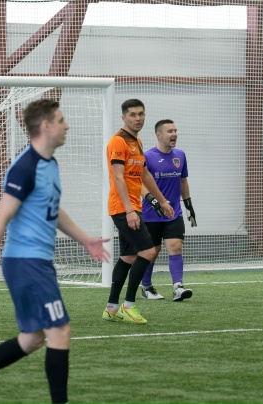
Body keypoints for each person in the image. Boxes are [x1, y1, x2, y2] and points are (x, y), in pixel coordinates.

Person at [0, 99, 110, 404]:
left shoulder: (50, 164)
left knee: (33, 338)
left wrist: (85, 240)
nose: (67, 126)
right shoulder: (24, 167)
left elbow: (53, 209)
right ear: (46, 126)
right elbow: (1, 218)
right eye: (61, 120)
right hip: (25, 262)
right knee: (59, 330)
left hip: (37, 263)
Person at [102, 99, 174, 325]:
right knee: (148, 251)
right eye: (133, 114)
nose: (138, 118)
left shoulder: (138, 142)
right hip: (123, 208)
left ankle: (111, 308)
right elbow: (118, 178)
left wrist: (162, 201)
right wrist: (129, 211)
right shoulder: (118, 141)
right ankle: (129, 305)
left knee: (128, 257)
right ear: (124, 117)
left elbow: (144, 175)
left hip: (134, 206)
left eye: (141, 114)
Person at [140, 119, 196, 301]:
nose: (174, 134)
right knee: (151, 252)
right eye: (170, 131)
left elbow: (183, 181)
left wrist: (188, 205)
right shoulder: (147, 157)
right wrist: (154, 202)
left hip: (174, 213)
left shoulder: (180, 155)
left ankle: (178, 287)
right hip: (151, 215)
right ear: (159, 135)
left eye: (175, 131)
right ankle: (146, 287)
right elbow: (140, 183)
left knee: (175, 246)